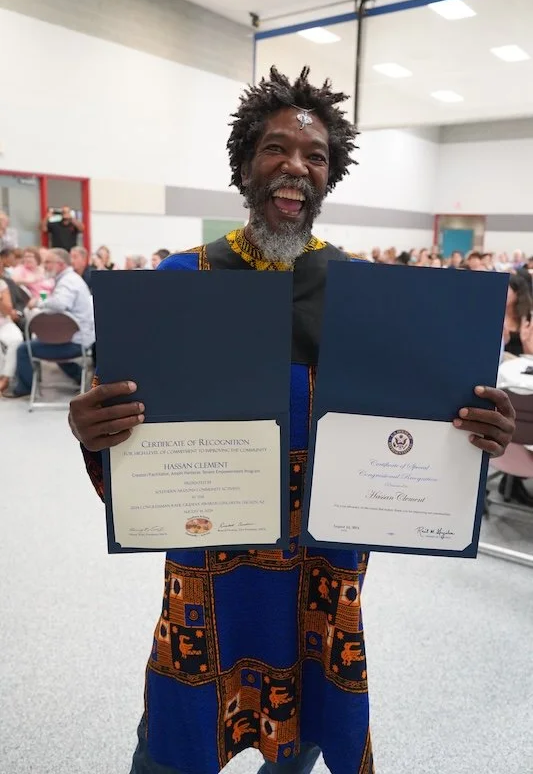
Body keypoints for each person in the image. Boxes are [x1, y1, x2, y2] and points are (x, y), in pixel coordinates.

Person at [67, 67, 516, 774]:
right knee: (172, 745)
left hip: (321, 575)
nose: (296, 166)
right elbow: (128, 442)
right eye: (276, 148)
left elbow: (417, 431)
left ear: (329, 178)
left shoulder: (365, 293)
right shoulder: (183, 282)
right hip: (209, 570)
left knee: (302, 738)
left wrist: (474, 434)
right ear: (245, 163)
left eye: (316, 156)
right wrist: (95, 430)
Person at [6, 248, 94, 398]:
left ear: (60, 264)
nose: (44, 265)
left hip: (75, 342)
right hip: (79, 339)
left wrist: (38, 303)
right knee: (47, 343)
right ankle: (80, 376)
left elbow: (60, 304)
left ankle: (24, 389)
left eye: (48, 262)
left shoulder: (67, 282)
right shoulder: (70, 279)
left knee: (23, 349)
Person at [0, 272, 23, 393]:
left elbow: (8, 311)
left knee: (16, 340)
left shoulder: (2, 284)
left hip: (4, 322)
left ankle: (6, 378)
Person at [0, 248, 30, 332]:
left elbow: (19, 301)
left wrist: (17, 312)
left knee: (27, 324)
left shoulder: (8, 282)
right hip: (5, 316)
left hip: (11, 317)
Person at [503, 274, 533, 358]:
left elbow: (530, 355)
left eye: (507, 289)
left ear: (517, 293)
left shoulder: (527, 319)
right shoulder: (494, 314)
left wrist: (525, 341)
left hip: (520, 361)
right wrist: (502, 342)